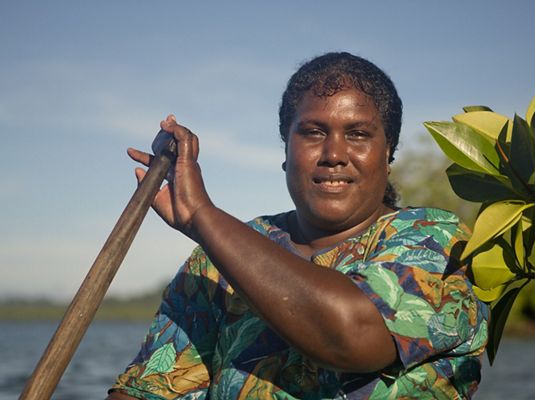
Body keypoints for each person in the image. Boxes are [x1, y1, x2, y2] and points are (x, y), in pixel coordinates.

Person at [107, 52, 489, 400]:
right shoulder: (217, 257)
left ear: (388, 153)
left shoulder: (436, 240)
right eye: (313, 132)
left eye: (358, 134)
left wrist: (201, 215)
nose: (334, 155)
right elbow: (147, 390)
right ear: (286, 151)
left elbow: (354, 336)